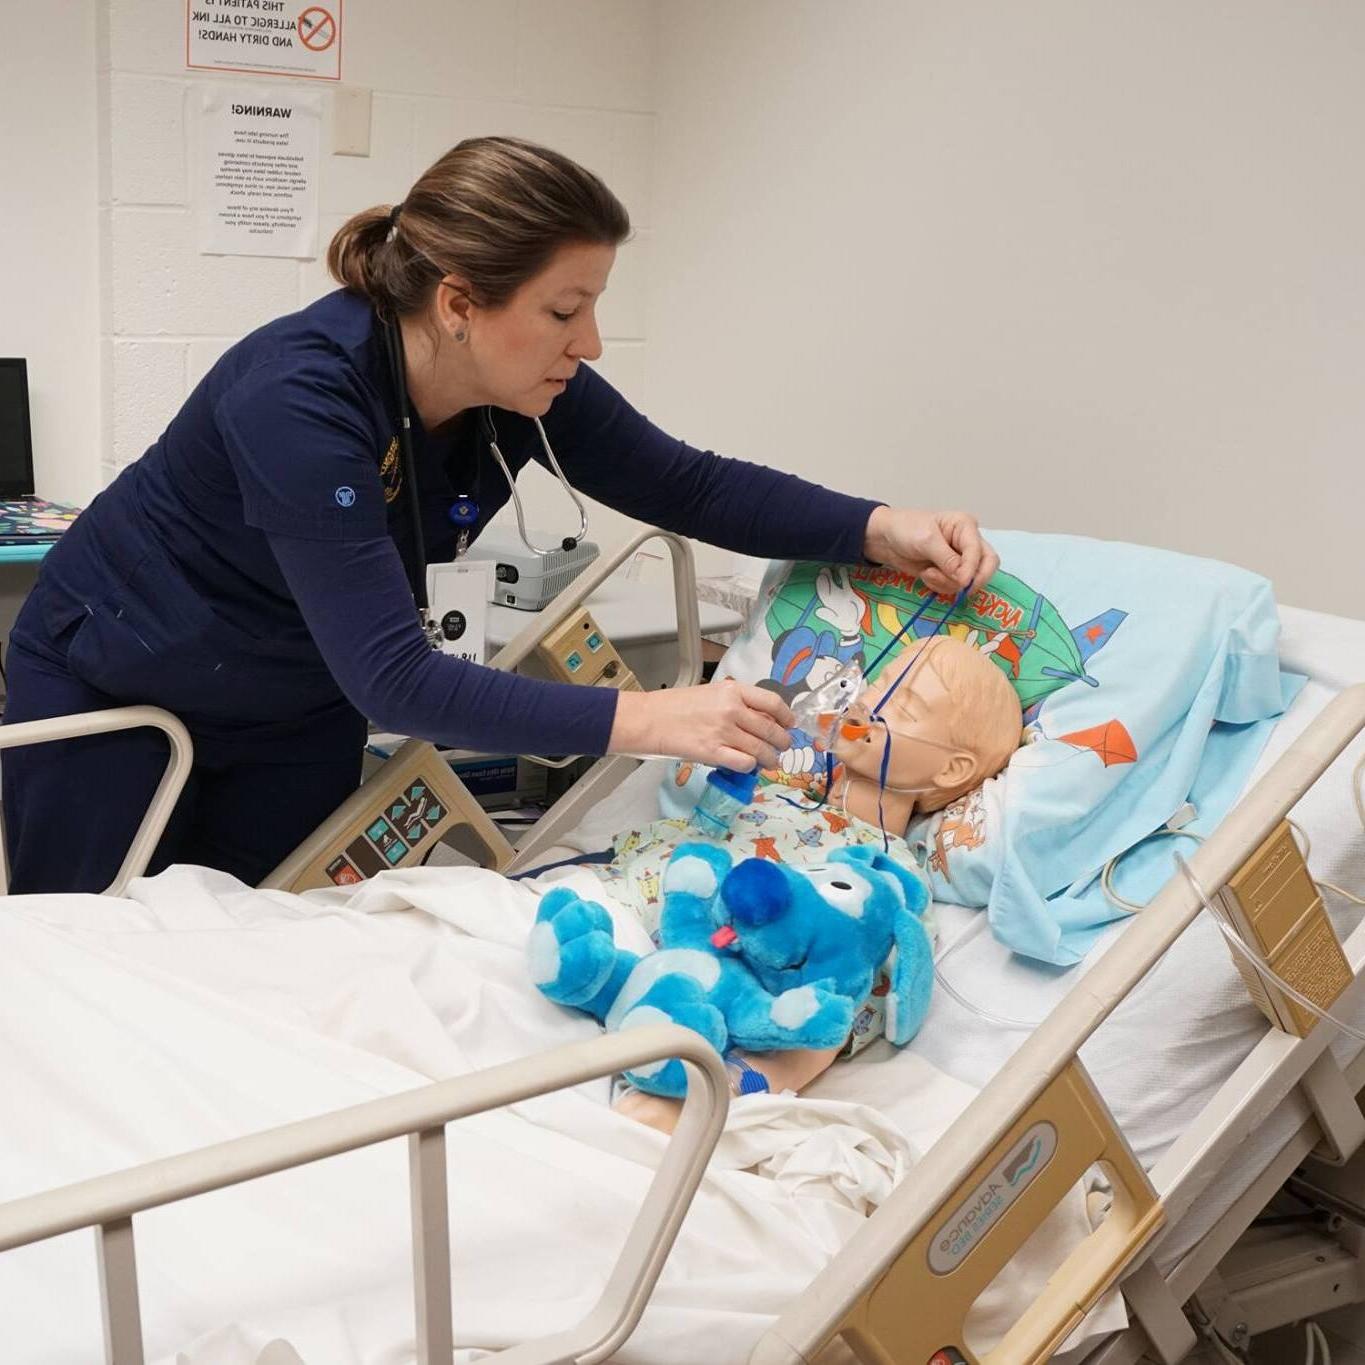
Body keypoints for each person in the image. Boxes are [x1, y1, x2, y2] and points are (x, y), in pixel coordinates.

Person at [1, 136, 998, 894]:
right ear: (459, 301)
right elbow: (394, 677)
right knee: (96, 969)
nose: (592, 342)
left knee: (258, 943)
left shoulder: (515, 392)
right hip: (120, 686)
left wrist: (877, 527)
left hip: (292, 704)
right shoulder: (299, 396)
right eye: (565, 312)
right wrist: (653, 717)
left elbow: (686, 485)